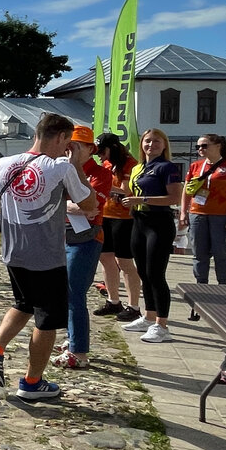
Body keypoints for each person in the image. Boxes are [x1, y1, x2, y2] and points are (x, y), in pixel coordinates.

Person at [0, 113, 95, 400]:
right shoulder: (61, 167)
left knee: (24, 303)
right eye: (69, 141)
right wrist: (76, 165)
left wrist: (22, 213)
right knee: (47, 321)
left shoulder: (3, 163)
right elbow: (90, 205)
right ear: (62, 138)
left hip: (14, 251)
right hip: (46, 255)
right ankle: (32, 382)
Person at [118, 128, 184, 344]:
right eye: (147, 141)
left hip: (159, 223)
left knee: (156, 274)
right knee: (144, 273)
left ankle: (162, 325)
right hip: (139, 222)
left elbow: (173, 197)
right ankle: (148, 316)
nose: (151, 145)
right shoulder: (138, 167)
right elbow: (132, 194)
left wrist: (143, 200)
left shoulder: (167, 167)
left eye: (156, 141)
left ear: (164, 145)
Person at [54, 126, 112, 371]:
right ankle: (73, 339)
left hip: (87, 239)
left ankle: (79, 352)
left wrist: (75, 167)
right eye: (69, 145)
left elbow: (92, 206)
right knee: (65, 293)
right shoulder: (58, 168)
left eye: (77, 146)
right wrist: (71, 204)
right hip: (62, 237)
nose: (71, 151)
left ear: (91, 149)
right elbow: (61, 202)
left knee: (75, 293)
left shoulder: (100, 173)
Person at [93, 133, 142, 321]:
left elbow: (126, 190)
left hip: (124, 218)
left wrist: (104, 187)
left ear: (112, 148)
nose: (99, 156)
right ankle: (113, 301)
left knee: (125, 262)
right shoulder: (106, 165)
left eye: (102, 151)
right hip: (105, 215)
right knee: (106, 258)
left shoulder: (130, 163)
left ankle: (134, 306)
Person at [180, 133, 226, 287]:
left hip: (222, 216)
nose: (200, 149)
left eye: (204, 145)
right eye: (198, 146)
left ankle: (224, 286)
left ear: (218, 146)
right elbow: (187, 189)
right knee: (199, 253)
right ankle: (201, 284)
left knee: (221, 253)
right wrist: (184, 212)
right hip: (198, 214)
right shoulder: (196, 166)